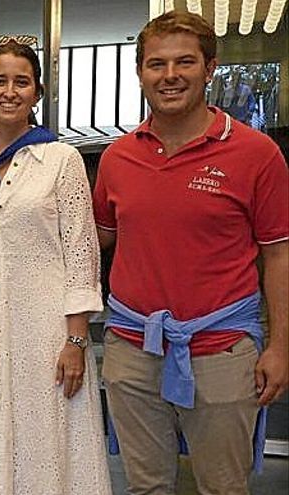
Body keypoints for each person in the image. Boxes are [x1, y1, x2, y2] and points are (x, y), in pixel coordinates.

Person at [94, 11, 288, 495]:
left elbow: (279, 256)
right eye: (156, 64)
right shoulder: (117, 158)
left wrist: (280, 346)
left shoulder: (256, 153)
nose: (170, 75)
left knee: (223, 487)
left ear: (210, 68)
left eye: (185, 62)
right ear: (140, 73)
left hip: (221, 351)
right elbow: (95, 243)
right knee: (144, 487)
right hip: (131, 349)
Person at [0, 38, 111, 495]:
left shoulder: (61, 160)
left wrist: (77, 340)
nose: (9, 91)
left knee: (48, 437)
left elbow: (81, 253)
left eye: (22, 82)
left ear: (37, 92)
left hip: (45, 331)